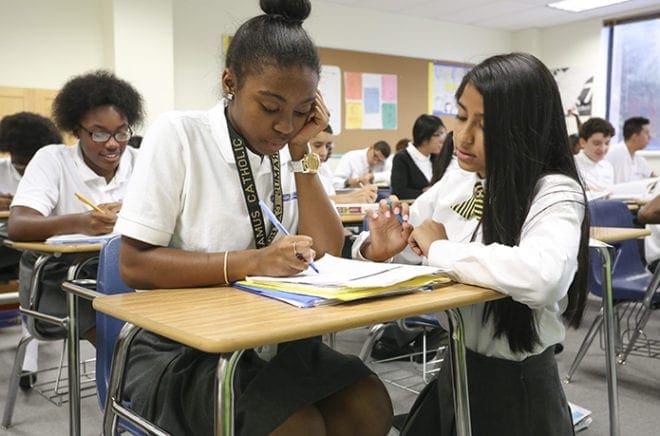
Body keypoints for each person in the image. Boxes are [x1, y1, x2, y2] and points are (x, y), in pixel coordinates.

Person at [114, 1, 393, 435]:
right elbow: (132, 264)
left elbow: (326, 245)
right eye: (270, 107)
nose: (285, 125)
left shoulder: (287, 149)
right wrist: (253, 262)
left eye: (302, 111)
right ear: (230, 82)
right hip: (183, 348)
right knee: (295, 427)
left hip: (272, 339)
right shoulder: (181, 135)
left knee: (369, 405)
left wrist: (302, 154)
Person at [352, 52, 589, 435]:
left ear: (523, 129)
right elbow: (413, 240)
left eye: (485, 125)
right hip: (459, 369)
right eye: (461, 116)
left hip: (517, 385)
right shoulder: (459, 179)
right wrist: (376, 250)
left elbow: (543, 277)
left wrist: (438, 249)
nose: (462, 136)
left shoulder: (554, 191)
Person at [8, 70, 143, 346]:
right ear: (75, 130)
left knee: (160, 326)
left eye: (121, 132)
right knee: (121, 338)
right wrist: (82, 222)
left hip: (129, 272)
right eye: (99, 133)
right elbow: (18, 225)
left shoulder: (143, 162)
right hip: (59, 277)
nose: (113, 143)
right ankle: (120, 386)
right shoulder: (52, 160)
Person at [0, 111, 63, 389]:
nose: (23, 170)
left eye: (29, 164)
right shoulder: (2, 170)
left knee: (34, 272)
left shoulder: (48, 169)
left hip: (31, 248)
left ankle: (30, 354)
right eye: (19, 165)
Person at [0, 112, 63, 210]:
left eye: (33, 164)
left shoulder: (59, 173)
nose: (28, 171)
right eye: (20, 165)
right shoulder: (2, 169)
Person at [311, 125, 377, 203]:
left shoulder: (324, 168)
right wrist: (350, 197)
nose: (324, 153)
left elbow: (329, 197)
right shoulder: (296, 173)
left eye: (328, 146)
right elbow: (309, 202)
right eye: (317, 145)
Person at [390, 114, 446, 200]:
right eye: (438, 135)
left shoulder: (436, 158)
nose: (442, 140)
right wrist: (424, 192)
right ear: (423, 138)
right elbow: (399, 192)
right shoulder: (402, 158)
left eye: (443, 135)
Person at [573, 117, 615, 194]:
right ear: (582, 142)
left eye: (607, 143)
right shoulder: (572, 165)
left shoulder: (608, 166)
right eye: (597, 143)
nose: (602, 149)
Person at [606, 116, 654, 183]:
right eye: (646, 133)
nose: (650, 137)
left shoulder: (639, 159)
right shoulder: (612, 154)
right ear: (634, 136)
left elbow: (653, 178)